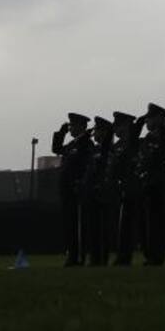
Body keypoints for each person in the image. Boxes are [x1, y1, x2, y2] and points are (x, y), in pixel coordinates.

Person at [52, 112, 92, 267]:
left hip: (78, 189)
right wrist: (60, 133)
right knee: (69, 224)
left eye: (73, 125)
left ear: (81, 126)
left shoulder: (85, 144)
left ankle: (79, 256)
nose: (70, 128)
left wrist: (81, 182)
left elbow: (87, 165)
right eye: (70, 125)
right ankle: (71, 255)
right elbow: (56, 148)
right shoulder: (72, 145)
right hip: (67, 190)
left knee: (79, 224)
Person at [136, 103, 165, 266]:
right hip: (146, 183)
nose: (146, 122)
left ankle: (156, 255)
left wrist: (163, 120)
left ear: (158, 119)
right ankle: (149, 253)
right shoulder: (148, 138)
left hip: (157, 184)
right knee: (146, 222)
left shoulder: (163, 136)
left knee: (155, 222)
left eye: (149, 118)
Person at [107, 111, 142, 266]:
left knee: (129, 225)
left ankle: (126, 255)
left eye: (118, 126)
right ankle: (122, 255)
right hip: (119, 189)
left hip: (131, 188)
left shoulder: (133, 143)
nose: (115, 129)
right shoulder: (117, 146)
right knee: (121, 226)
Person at [81, 116, 115, 266]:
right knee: (93, 228)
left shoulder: (108, 149)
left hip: (104, 192)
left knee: (103, 228)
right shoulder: (93, 149)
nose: (94, 133)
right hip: (92, 192)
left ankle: (102, 258)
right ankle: (95, 258)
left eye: (97, 130)